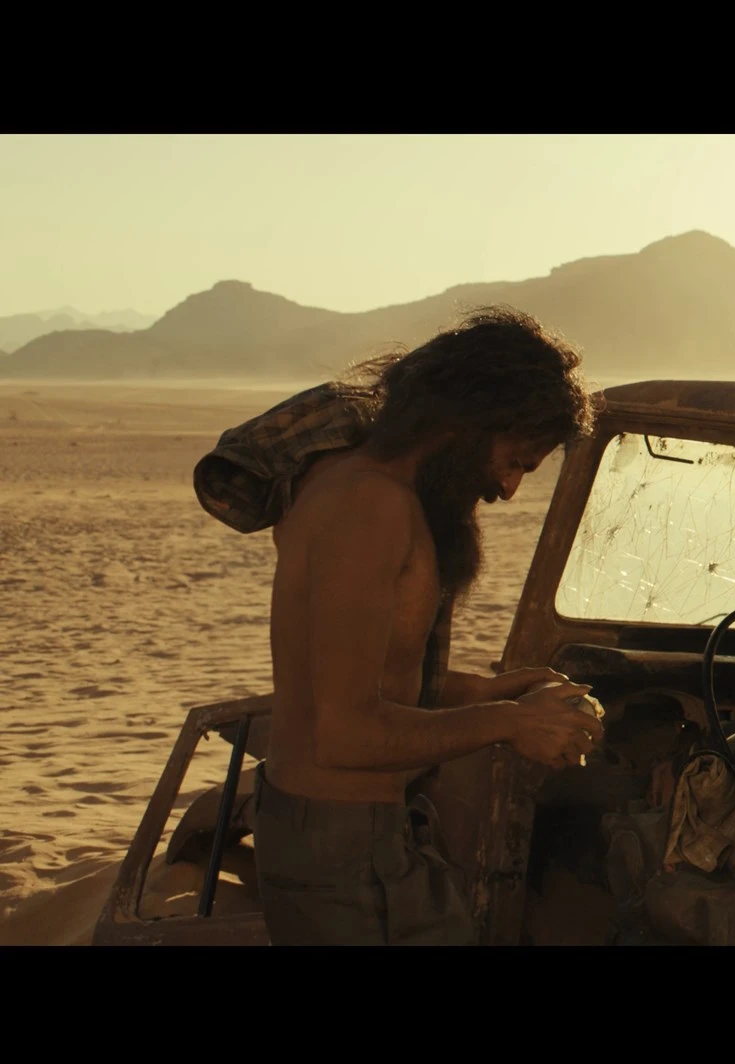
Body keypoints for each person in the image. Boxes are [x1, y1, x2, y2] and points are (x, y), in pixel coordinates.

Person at [193, 306, 604, 945]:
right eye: (516, 459)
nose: (508, 488)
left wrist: (486, 693)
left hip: (352, 839)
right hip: (341, 854)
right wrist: (510, 724)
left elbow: (360, 679)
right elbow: (345, 734)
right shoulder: (370, 507)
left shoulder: (375, 494)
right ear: (470, 420)